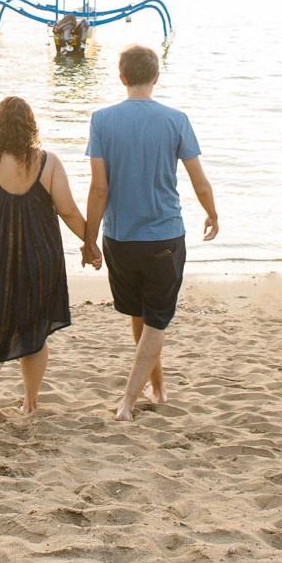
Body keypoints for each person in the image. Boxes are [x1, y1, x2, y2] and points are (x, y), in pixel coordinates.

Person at [82, 43, 218, 420]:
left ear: (121, 76)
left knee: (141, 316)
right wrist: (212, 213)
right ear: (156, 77)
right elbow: (198, 180)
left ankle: (157, 389)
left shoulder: (102, 119)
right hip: (164, 238)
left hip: (120, 239)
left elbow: (98, 188)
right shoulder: (176, 119)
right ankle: (128, 401)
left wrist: (89, 238)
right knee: (156, 320)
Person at [0, 95, 88, 421]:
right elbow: (68, 210)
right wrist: (91, 242)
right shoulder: (48, 162)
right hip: (40, 258)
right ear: (31, 126)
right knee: (34, 329)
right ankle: (30, 402)